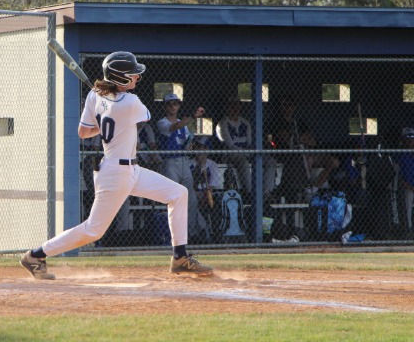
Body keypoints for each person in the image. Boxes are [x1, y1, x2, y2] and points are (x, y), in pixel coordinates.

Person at [19, 52, 213, 279]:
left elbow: (84, 131)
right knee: (93, 230)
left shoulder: (94, 95)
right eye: (132, 74)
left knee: (178, 193)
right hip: (115, 173)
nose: (137, 77)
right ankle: (35, 255)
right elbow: (145, 117)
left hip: (131, 170)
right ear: (120, 78)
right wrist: (109, 108)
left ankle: (180, 257)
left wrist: (104, 110)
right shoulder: (131, 101)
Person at [156, 93, 210, 243]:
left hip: (184, 161)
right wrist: (193, 116)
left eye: (175, 103)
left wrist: (189, 146)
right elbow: (174, 127)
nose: (172, 106)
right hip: (170, 162)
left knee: (191, 199)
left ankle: (191, 233)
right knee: (174, 198)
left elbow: (186, 140)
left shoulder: (184, 123)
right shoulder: (162, 122)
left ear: (179, 105)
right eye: (169, 104)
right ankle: (174, 235)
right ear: (165, 107)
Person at [267, 93, 339, 203]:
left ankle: (313, 189)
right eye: (284, 105)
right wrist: (300, 139)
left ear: (294, 107)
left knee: (334, 162)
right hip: (289, 155)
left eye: (290, 105)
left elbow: (312, 141)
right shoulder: (277, 122)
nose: (287, 108)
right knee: (308, 159)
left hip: (307, 151)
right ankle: (306, 189)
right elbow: (287, 140)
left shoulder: (298, 122)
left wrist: (299, 139)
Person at [215, 97, 277, 199]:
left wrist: (249, 152)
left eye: (237, 105)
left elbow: (249, 142)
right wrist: (247, 152)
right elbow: (230, 145)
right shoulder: (222, 123)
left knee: (270, 161)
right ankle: (250, 193)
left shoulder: (245, 122)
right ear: (227, 107)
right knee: (243, 161)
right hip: (230, 154)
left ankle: (266, 193)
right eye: (231, 105)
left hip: (248, 153)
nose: (234, 108)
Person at [397, 127, 414, 235]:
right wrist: (410, 187)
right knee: (408, 197)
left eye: (412, 138)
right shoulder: (399, 155)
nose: (410, 141)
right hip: (407, 188)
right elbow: (398, 178)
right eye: (407, 139)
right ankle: (408, 230)